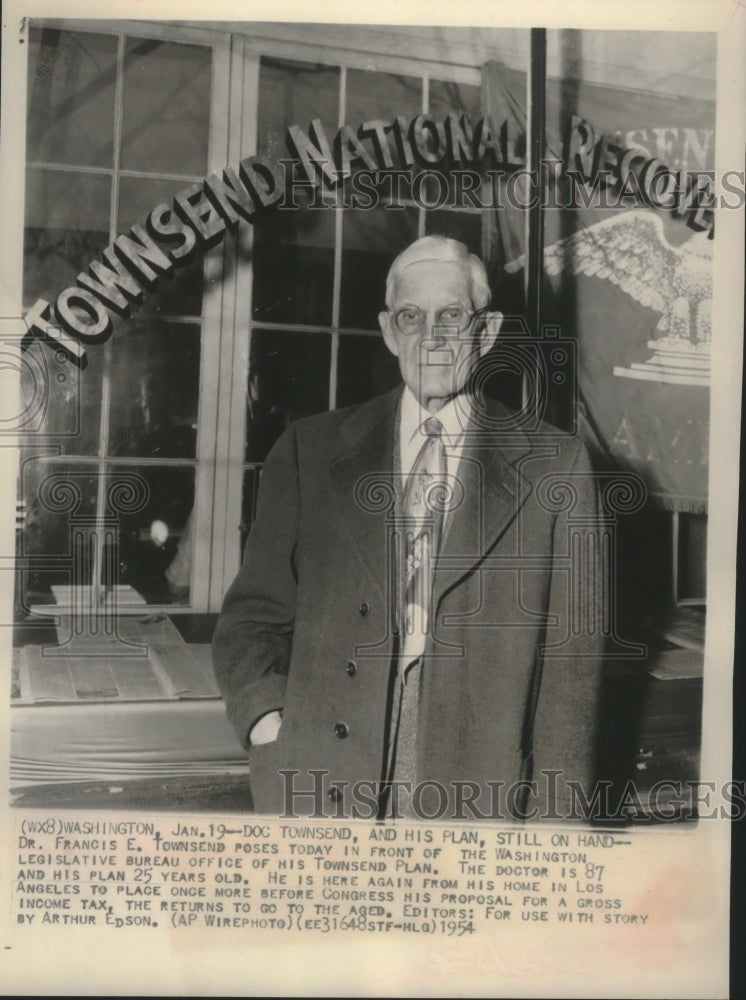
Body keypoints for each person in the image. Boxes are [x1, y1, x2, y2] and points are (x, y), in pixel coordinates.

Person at [212, 236, 604, 821]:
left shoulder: (556, 464)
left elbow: (571, 675)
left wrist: (556, 834)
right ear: (390, 331)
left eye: (451, 315)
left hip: (481, 781)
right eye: (411, 318)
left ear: (487, 330)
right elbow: (252, 619)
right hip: (326, 775)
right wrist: (270, 722)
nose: (432, 337)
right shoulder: (308, 450)